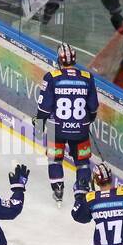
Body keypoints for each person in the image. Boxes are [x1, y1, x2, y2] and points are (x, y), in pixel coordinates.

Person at [34, 43, 99, 202]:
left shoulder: (52, 77)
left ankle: (58, 190)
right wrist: (87, 121)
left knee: (55, 159)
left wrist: (39, 125)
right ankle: (83, 192)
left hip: (56, 130)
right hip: (80, 131)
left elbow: (44, 107)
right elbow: (93, 107)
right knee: (82, 162)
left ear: (59, 60)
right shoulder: (87, 77)